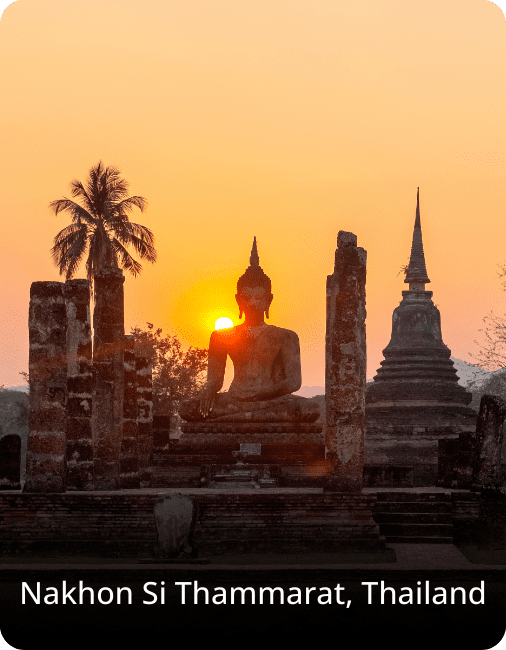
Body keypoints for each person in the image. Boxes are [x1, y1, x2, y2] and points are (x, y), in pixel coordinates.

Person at [178, 238, 320, 423]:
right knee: (187, 408)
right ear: (238, 300)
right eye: (247, 297)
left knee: (309, 409)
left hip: (272, 400)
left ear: (269, 300)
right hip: (235, 399)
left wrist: (263, 393)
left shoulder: (286, 336)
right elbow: (215, 379)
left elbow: (293, 382)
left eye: (259, 297)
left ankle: (242, 418)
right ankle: (248, 417)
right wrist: (209, 391)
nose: (253, 303)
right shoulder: (221, 336)